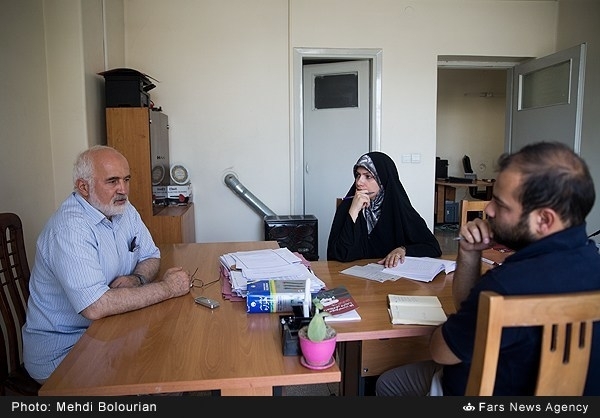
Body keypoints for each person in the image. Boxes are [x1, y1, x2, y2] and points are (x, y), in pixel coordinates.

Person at [376, 141, 600, 396]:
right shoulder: (592, 262)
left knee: (388, 384)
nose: (488, 209)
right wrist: (470, 253)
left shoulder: (505, 285)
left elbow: (441, 352)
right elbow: (468, 305)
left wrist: (447, 327)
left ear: (544, 219)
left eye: (500, 204)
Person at [22, 145, 192, 384]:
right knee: (161, 370)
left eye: (126, 179)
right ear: (84, 187)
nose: (123, 189)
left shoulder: (124, 209)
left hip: (108, 330)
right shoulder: (70, 229)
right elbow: (96, 306)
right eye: (112, 181)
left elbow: (151, 256)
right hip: (65, 352)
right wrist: (168, 288)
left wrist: (137, 279)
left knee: (174, 349)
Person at [327, 151, 442, 266]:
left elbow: (433, 247)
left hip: (391, 275)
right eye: (358, 175)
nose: (359, 182)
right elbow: (339, 254)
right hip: (351, 275)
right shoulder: (348, 207)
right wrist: (353, 211)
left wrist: (403, 250)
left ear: (383, 179)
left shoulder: (399, 208)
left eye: (368, 176)